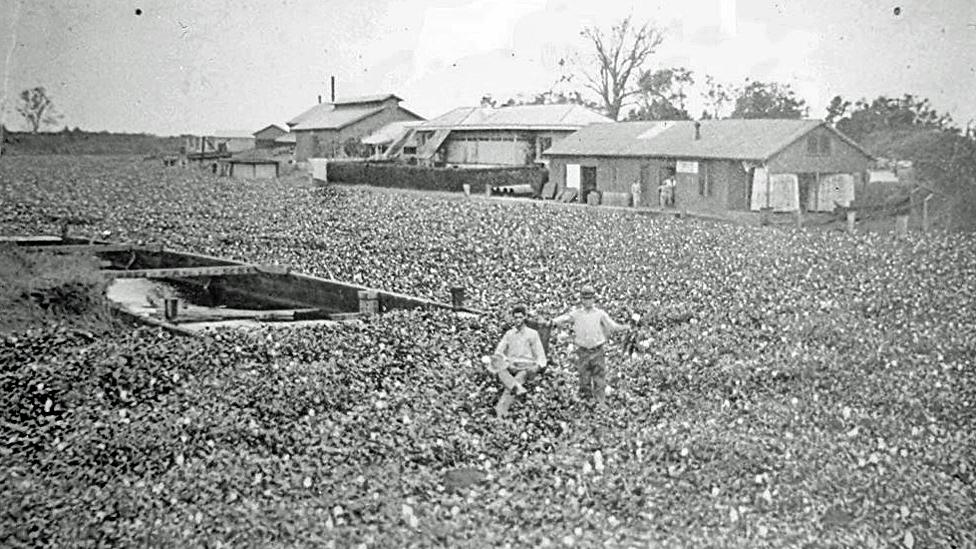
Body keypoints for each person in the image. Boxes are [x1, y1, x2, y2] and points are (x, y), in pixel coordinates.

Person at [546, 285, 629, 407]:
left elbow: (612, 326)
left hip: (597, 350)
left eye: (590, 298)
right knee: (584, 376)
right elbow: (565, 318)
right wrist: (552, 321)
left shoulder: (600, 314)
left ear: (594, 299)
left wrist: (625, 327)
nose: (587, 301)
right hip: (583, 350)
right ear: (581, 299)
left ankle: (600, 402)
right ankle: (587, 402)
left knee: (599, 377)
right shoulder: (577, 314)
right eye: (585, 298)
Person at [492, 304, 547, 418]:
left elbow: (540, 355)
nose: (517, 320)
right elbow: (498, 351)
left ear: (525, 317)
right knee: (499, 369)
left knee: (519, 377)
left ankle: (500, 411)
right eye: (515, 317)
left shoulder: (532, 334)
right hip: (511, 365)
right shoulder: (509, 334)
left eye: (520, 317)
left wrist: (537, 367)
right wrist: (506, 361)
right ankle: (518, 388)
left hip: (526, 367)